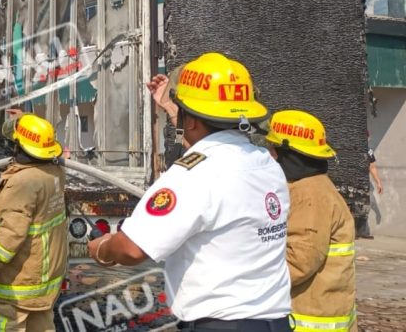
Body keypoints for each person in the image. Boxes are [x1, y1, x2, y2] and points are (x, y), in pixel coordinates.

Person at [86, 53, 293, 331]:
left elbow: (132, 249)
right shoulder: (266, 163)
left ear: (192, 121)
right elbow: (210, 153)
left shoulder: (191, 177)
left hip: (220, 325)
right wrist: (174, 110)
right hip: (275, 322)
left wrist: (101, 248)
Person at [264, 110, 357, 332]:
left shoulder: (310, 194)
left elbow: (299, 262)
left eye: (273, 149)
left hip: (308, 323)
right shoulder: (313, 187)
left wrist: (248, 284)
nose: (270, 155)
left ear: (288, 154)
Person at [0, 112, 68, 332]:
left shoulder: (23, 182)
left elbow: (10, 236)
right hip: (44, 282)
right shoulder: (55, 172)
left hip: (17, 285)